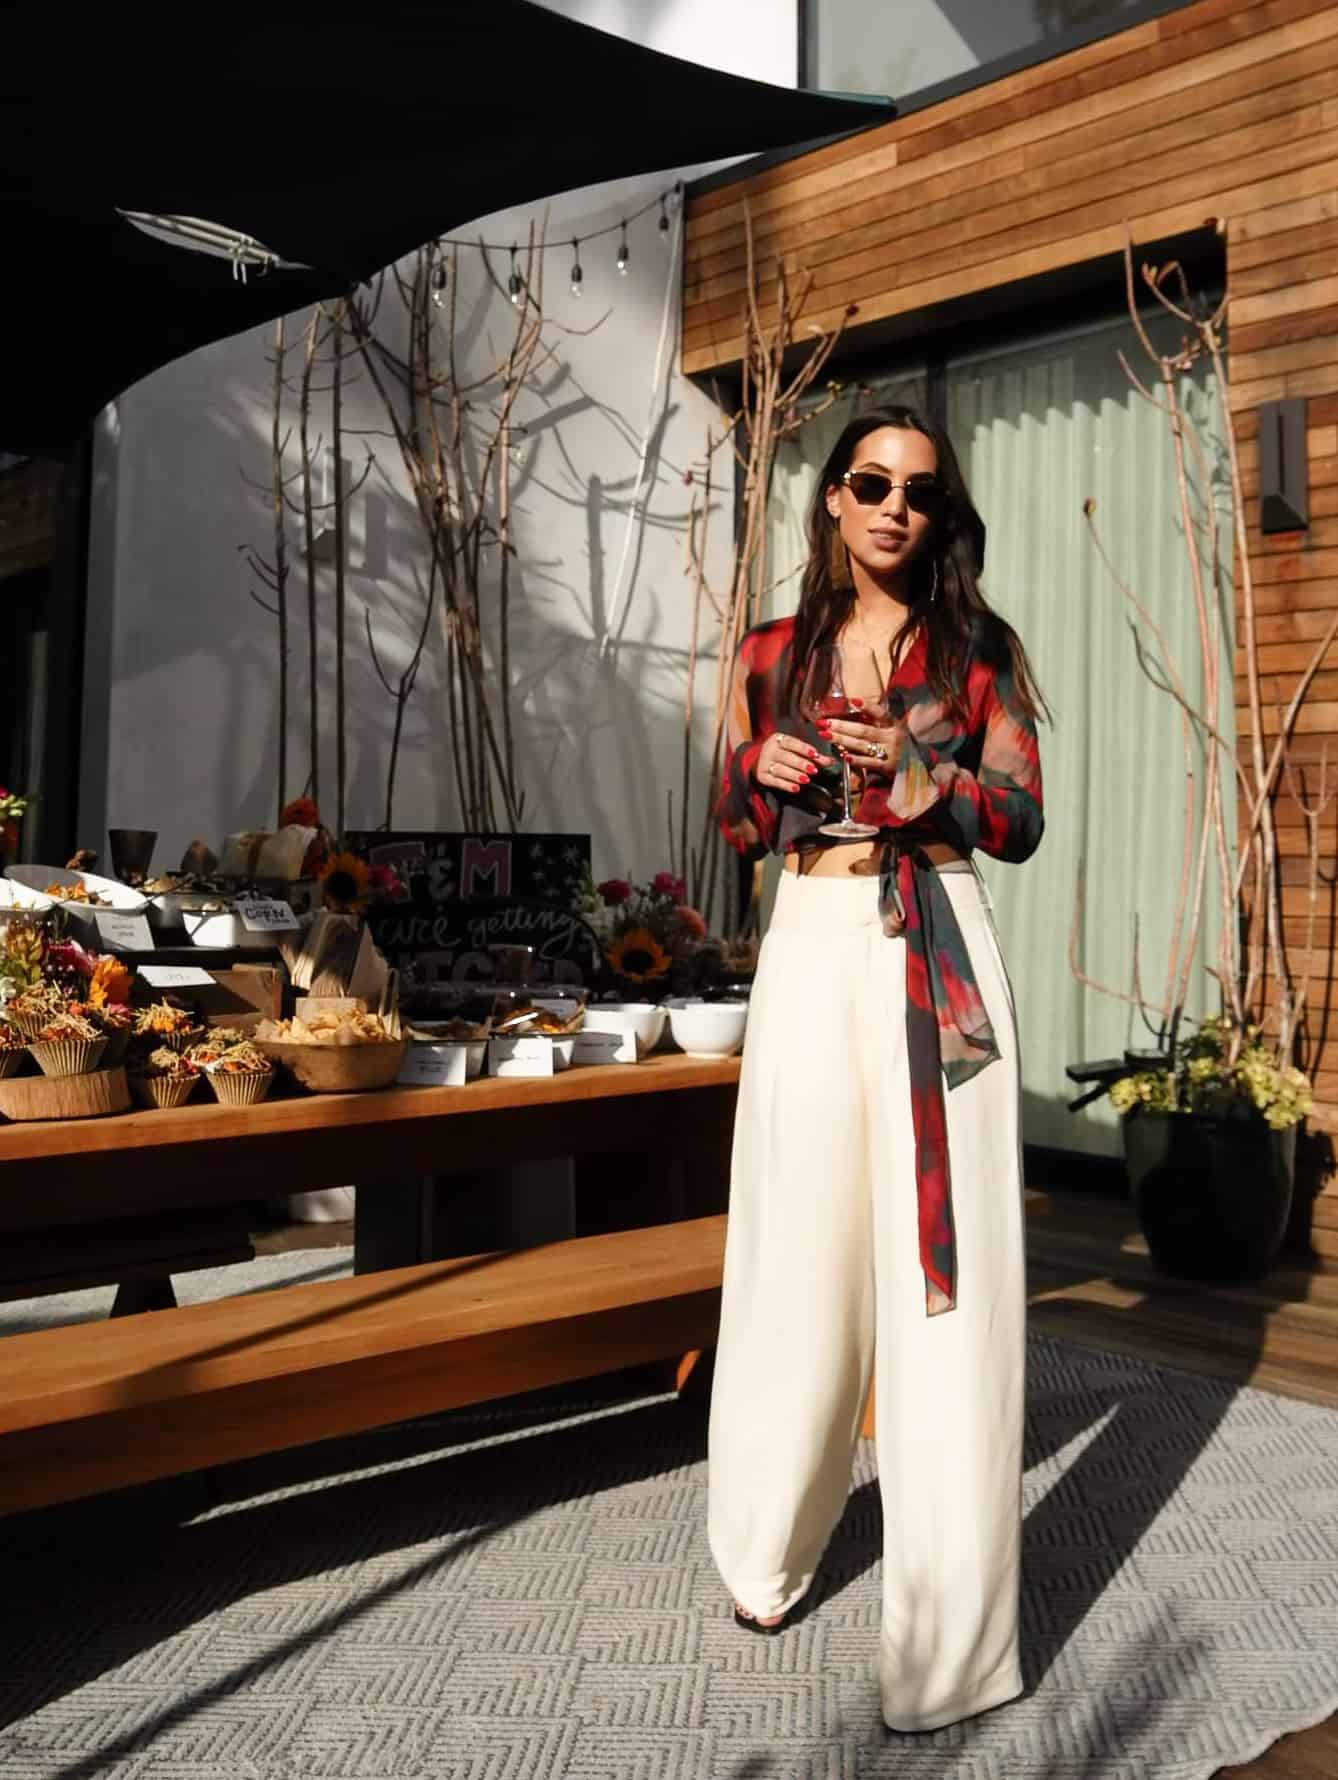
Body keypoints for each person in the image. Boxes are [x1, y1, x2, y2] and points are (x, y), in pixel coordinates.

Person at [706, 404, 1046, 1734]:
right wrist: (759, 762)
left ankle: (948, 1643)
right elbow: (735, 821)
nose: (893, 506)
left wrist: (920, 772)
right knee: (792, 1244)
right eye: (868, 482)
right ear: (832, 505)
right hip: (807, 941)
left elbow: (1016, 816)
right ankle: (764, 1549)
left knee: (943, 1280)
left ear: (936, 513)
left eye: (917, 489)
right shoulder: (770, 654)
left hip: (936, 945)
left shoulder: (975, 652)